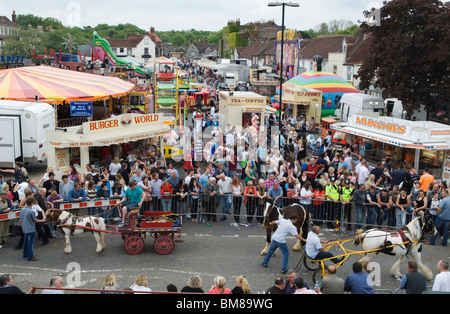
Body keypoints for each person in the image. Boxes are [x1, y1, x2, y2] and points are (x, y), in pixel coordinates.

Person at [19, 197, 45, 261]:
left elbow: (20, 219)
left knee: (25, 241)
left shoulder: (22, 210)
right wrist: (42, 220)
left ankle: (25, 253)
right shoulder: (31, 211)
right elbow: (35, 220)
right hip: (30, 228)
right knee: (30, 242)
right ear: (31, 204)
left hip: (24, 228)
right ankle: (30, 256)